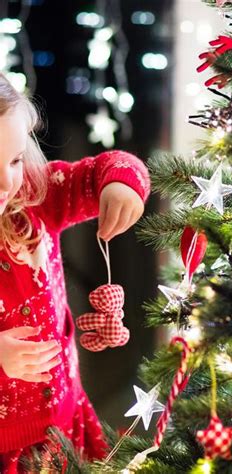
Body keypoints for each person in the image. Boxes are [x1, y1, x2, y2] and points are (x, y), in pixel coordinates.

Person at [0, 73, 150, 472]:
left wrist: (120, 185)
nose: (5, 182)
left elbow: (107, 166)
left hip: (66, 426)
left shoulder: (30, 197)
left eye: (14, 160)